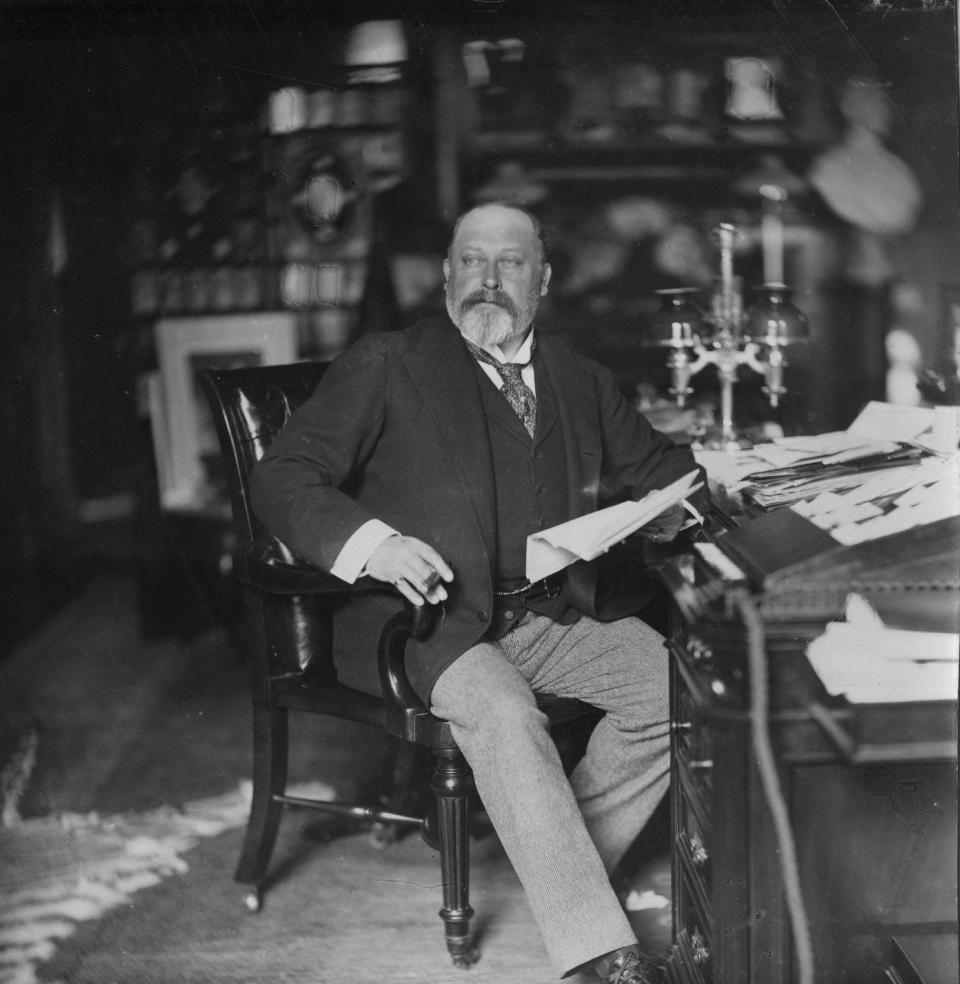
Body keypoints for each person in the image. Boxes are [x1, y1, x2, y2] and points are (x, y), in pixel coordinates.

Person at [250, 202, 710, 984]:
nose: (488, 281)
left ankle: (561, 867)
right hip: (422, 624)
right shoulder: (388, 362)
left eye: (510, 263)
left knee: (679, 689)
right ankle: (599, 955)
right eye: (471, 261)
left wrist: (711, 493)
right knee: (503, 712)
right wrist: (377, 546)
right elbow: (281, 477)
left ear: (544, 279)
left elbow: (664, 472)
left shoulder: (578, 376)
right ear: (445, 274)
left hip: (549, 612)